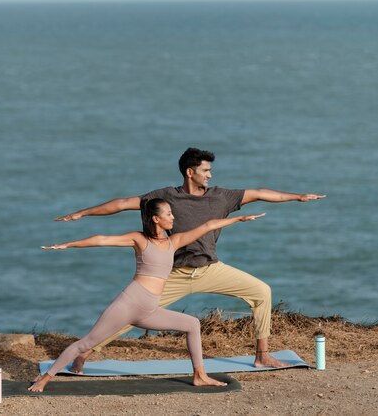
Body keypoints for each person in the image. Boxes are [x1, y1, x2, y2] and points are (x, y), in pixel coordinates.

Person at [55, 147, 326, 371]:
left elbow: (260, 193)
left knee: (262, 292)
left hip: (211, 269)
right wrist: (83, 213)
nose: (210, 175)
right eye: (205, 170)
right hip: (173, 274)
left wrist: (297, 197)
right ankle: (85, 351)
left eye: (210, 170)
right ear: (190, 172)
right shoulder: (164, 198)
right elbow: (121, 203)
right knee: (130, 315)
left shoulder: (222, 197)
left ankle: (262, 354)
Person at [28, 198, 265, 392]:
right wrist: (68, 245)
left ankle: (199, 375)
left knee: (192, 324)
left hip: (149, 308)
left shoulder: (174, 241)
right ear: (156, 218)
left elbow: (207, 226)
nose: (173, 217)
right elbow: (102, 240)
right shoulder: (140, 240)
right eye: (169, 214)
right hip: (130, 302)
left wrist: (239, 218)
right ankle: (45, 379)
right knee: (87, 343)